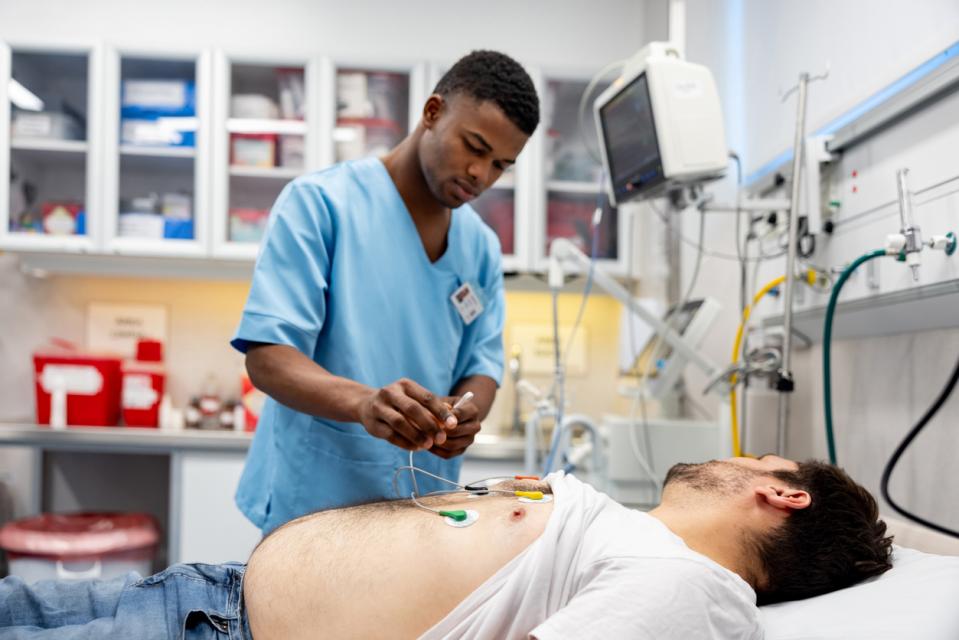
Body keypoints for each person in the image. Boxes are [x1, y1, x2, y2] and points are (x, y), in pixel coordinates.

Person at [0, 456, 893, 639]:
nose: (726, 456)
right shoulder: (633, 536)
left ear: (780, 494)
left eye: (755, 458)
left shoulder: (689, 587)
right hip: (200, 593)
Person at [230, 50, 540, 533]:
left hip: (423, 507)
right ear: (432, 113)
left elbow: (482, 365)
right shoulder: (321, 205)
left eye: (501, 164)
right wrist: (364, 404)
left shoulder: (479, 246)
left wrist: (466, 412)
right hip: (314, 504)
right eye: (474, 147)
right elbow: (268, 358)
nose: (482, 174)